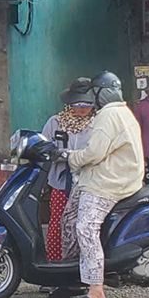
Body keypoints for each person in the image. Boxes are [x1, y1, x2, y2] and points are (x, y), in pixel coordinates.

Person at [58, 71, 144, 298]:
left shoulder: (108, 115)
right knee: (69, 218)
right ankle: (73, 279)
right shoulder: (121, 111)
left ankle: (96, 292)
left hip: (108, 182)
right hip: (106, 177)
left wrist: (70, 157)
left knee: (85, 228)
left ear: (100, 93)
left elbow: (94, 153)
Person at [41, 78, 97, 262]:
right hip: (60, 183)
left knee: (86, 225)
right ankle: (56, 264)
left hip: (89, 184)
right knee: (58, 223)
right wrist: (58, 154)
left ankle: (83, 265)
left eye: (87, 104)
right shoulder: (55, 122)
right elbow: (43, 147)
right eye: (78, 103)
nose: (83, 108)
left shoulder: (98, 124)